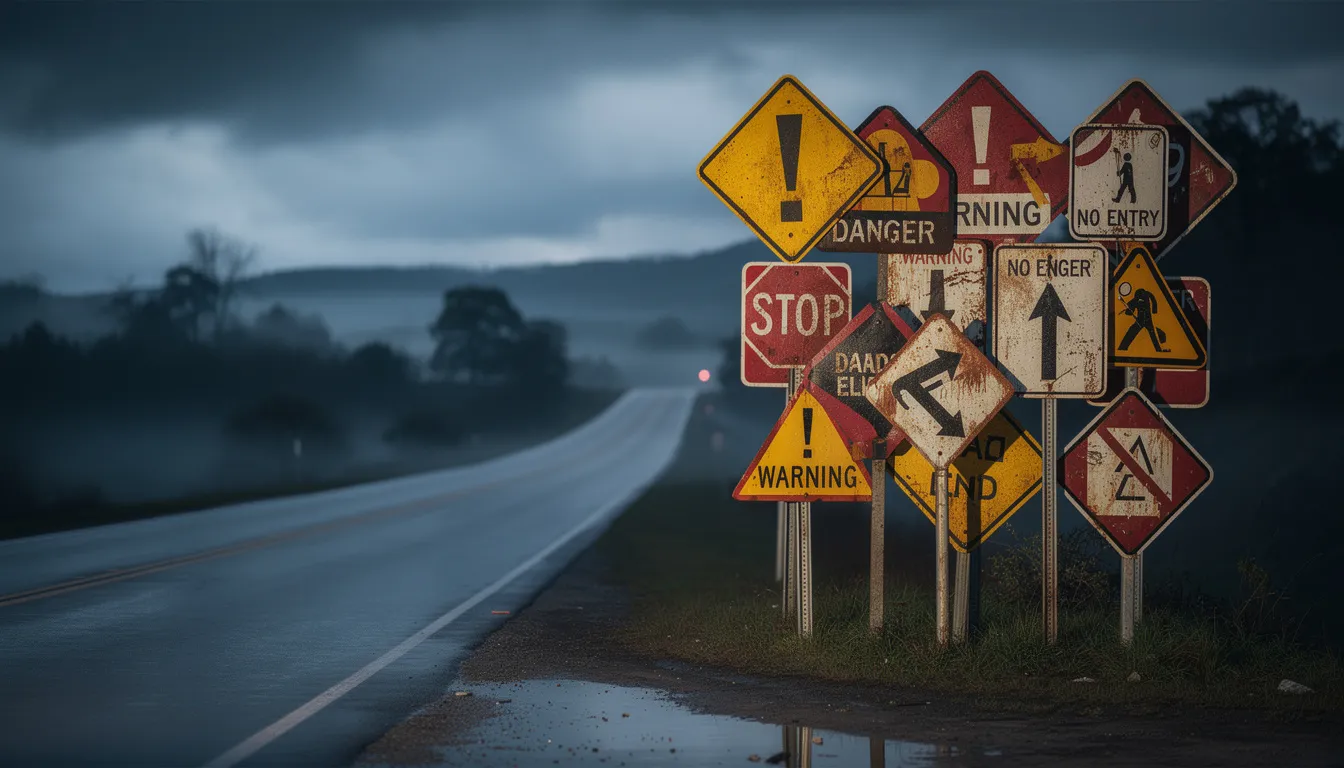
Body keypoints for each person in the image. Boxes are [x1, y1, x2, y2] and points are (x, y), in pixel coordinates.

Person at [1117, 282, 1167, 352]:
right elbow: (1130, 307)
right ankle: (1122, 347)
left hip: (1147, 319)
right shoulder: (1138, 298)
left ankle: (1158, 349)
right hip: (1140, 319)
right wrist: (1129, 311)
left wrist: (1154, 310)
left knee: (1153, 334)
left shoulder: (1146, 295)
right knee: (1133, 331)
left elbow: (1153, 300)